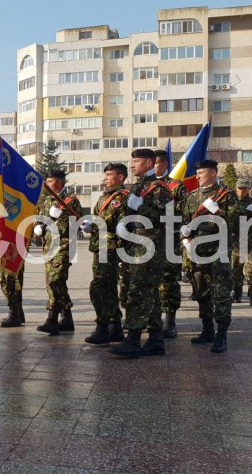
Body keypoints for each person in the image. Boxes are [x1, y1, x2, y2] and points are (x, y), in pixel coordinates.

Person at [108, 149, 173, 358]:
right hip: (136, 245)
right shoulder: (138, 187)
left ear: (148, 163)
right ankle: (155, 340)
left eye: (136, 161)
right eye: (132, 161)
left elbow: (167, 217)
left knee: (137, 291)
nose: (133, 165)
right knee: (150, 293)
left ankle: (134, 340)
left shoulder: (159, 188)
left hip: (151, 246)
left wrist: (142, 207)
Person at [181, 160, 239, 354]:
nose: (197, 176)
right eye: (196, 173)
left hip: (218, 251)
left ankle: (221, 335)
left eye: (201, 173)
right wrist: (184, 233)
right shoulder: (192, 196)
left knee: (221, 292)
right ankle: (207, 331)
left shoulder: (226, 195)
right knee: (201, 291)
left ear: (213, 173)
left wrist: (217, 210)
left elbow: (236, 222)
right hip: (197, 251)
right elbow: (185, 220)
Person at [83, 163, 129, 344]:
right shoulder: (103, 198)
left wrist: (97, 224)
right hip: (100, 247)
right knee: (108, 289)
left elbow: (121, 222)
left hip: (111, 248)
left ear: (120, 177)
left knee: (98, 287)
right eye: (106, 175)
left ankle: (102, 326)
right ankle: (115, 327)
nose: (105, 178)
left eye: (109, 175)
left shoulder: (122, 198)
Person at [34, 169, 82, 335]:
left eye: (50, 181)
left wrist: (64, 215)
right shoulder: (47, 200)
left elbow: (79, 221)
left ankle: (52, 318)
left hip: (64, 245)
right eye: (46, 181)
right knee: (54, 282)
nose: (47, 184)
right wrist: (38, 225)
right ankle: (67, 318)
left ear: (60, 183)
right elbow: (39, 217)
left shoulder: (71, 201)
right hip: (48, 246)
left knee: (55, 280)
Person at [154, 150, 188, 339]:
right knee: (149, 281)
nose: (153, 166)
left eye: (156, 163)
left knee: (168, 281)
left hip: (169, 239)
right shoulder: (143, 186)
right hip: (147, 242)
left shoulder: (175, 186)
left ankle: (170, 320)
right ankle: (152, 317)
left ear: (164, 164)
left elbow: (183, 211)